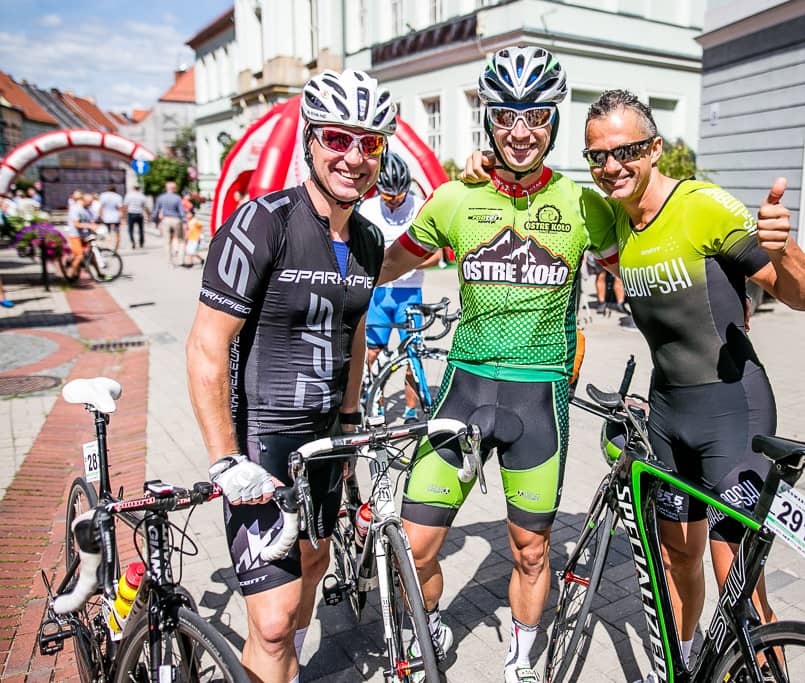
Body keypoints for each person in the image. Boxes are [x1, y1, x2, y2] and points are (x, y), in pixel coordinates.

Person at [379, 46, 617, 683]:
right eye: (506, 115)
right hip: (464, 390)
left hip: (538, 401)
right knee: (415, 546)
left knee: (531, 551)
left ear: (554, 121)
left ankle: (521, 660)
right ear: (488, 119)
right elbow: (385, 264)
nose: (520, 131)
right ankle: (431, 625)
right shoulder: (455, 197)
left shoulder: (584, 205)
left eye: (535, 116)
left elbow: (642, 271)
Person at [581, 90, 805, 681]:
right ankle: (682, 666)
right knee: (675, 557)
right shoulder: (614, 218)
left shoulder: (703, 207)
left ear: (654, 149)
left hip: (733, 412)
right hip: (667, 415)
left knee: (736, 578)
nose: (612, 166)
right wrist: (488, 167)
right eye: (597, 156)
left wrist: (783, 245)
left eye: (626, 151)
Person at [186, 68, 395, 683]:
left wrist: (352, 419)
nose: (353, 156)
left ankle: (286, 669)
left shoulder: (369, 239)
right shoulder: (262, 221)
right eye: (337, 138)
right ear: (310, 140)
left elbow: (353, 328)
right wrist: (225, 460)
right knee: (274, 620)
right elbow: (205, 345)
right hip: (264, 443)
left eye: (369, 143)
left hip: (327, 441)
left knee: (312, 565)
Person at [358, 152, 438, 422]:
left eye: (400, 195)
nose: (394, 200)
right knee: (374, 353)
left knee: (412, 354)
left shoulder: (419, 206)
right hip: (379, 294)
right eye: (387, 195)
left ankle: (411, 411)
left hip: (409, 293)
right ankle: (376, 406)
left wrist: (408, 265)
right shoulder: (368, 209)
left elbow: (437, 256)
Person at [154, 181, 187, 265]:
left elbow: (156, 211)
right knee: (181, 240)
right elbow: (181, 211)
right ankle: (181, 260)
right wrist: (184, 222)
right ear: (174, 189)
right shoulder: (177, 198)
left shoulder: (161, 197)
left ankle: (169, 261)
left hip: (166, 220)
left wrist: (156, 222)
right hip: (176, 219)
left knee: (167, 241)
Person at [97, 185, 124, 251]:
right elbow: (120, 208)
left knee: (106, 233)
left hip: (106, 217)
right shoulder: (118, 196)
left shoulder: (103, 195)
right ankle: (116, 248)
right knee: (117, 233)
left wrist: (100, 216)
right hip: (116, 217)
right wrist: (122, 218)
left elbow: (101, 207)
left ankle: (107, 247)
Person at [124, 184, 148, 248]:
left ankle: (132, 242)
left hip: (131, 213)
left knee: (130, 229)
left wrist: (124, 215)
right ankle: (141, 242)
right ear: (139, 188)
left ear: (133, 188)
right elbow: (145, 206)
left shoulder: (129, 195)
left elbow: (125, 206)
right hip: (139, 214)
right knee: (141, 229)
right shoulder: (142, 196)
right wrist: (148, 214)